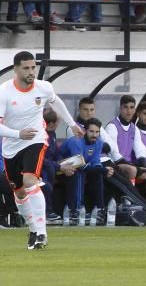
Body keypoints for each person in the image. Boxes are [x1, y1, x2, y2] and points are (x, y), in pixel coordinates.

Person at [0, 51, 83, 249]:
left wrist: (71, 124)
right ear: (16, 69)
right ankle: (33, 229)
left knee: (30, 181)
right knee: (19, 193)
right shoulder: (4, 92)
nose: (31, 72)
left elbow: (56, 101)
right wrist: (18, 134)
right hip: (12, 146)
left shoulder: (43, 87)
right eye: (26, 68)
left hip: (36, 140)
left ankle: (42, 234)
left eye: (33, 67)